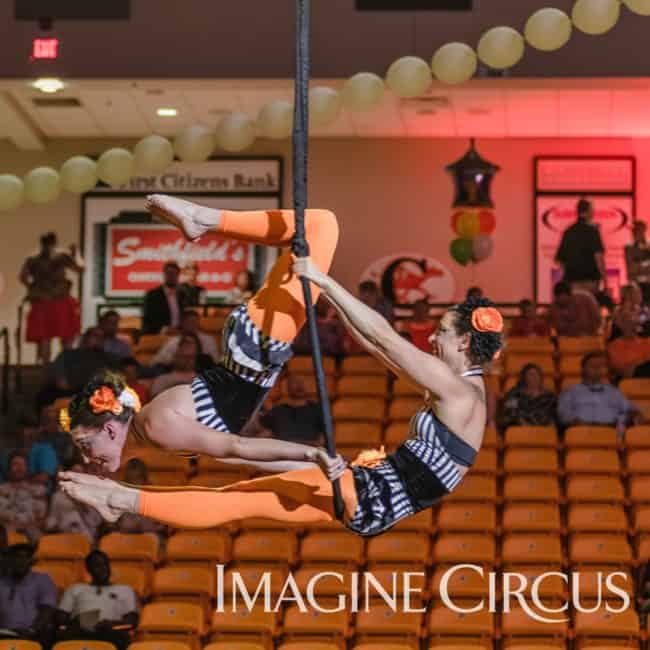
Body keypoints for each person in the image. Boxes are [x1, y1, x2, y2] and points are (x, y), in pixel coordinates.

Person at [58, 198, 503, 536]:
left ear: (464, 342)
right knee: (238, 502)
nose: (431, 337)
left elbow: (385, 338)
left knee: (322, 224)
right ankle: (123, 499)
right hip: (368, 498)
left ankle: (205, 219)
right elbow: (379, 347)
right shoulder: (460, 392)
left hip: (360, 481)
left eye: (442, 332)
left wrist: (324, 281)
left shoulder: (459, 391)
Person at [57, 195, 343, 479]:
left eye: (85, 445)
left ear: (109, 429)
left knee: (321, 225)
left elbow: (237, 447)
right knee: (309, 233)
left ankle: (206, 219)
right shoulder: (152, 435)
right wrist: (316, 470)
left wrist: (310, 454)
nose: (85, 458)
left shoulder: (155, 427)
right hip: (255, 346)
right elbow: (234, 455)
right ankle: (205, 219)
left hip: (257, 344)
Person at [20, 232, 83, 364]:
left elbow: (80, 269)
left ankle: (64, 365)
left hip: (60, 300)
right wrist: (33, 288)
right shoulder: (34, 260)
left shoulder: (61, 258)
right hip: (46, 301)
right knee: (45, 337)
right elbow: (23, 277)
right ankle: (47, 366)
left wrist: (75, 253)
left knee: (65, 335)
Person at [57, 550, 139, 650]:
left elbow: (131, 621)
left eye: (105, 564)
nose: (103, 569)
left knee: (121, 637)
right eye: (97, 566)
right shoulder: (75, 589)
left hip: (110, 631)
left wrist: (110, 624)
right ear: (88, 569)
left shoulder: (125, 590)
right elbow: (60, 617)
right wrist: (80, 621)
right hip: (79, 630)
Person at [36, 327, 116, 410]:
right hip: (67, 391)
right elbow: (61, 381)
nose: (99, 339)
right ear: (85, 338)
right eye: (95, 336)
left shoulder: (107, 359)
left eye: (102, 337)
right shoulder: (67, 354)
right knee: (45, 396)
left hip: (94, 392)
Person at [557, 351, 639, 430]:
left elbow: (632, 411)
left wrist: (626, 418)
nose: (597, 369)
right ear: (582, 369)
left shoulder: (615, 392)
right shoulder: (569, 392)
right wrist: (577, 423)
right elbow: (563, 415)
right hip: (580, 432)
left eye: (600, 366)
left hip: (611, 432)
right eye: (593, 366)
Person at [0, 544, 57, 644]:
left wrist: (32, 630)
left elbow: (47, 609)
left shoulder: (42, 579)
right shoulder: (2, 582)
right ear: (10, 561)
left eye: (25, 558)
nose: (21, 562)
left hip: (35, 633)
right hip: (5, 633)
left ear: (31, 561)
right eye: (16, 557)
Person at [555, 198, 606, 294]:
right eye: (592, 210)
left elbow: (559, 260)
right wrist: (605, 281)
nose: (593, 213)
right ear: (588, 211)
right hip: (590, 280)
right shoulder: (593, 231)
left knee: (575, 307)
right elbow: (599, 257)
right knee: (589, 306)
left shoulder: (568, 232)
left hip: (572, 280)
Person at [256, 375, 324, 445]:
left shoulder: (318, 410)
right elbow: (262, 432)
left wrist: (292, 443)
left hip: (308, 452)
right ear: (287, 387)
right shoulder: (279, 410)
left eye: (302, 382)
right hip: (279, 452)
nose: (299, 385)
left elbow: (321, 441)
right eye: (294, 382)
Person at [45, 458, 102, 542]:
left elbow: (96, 522)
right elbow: (51, 520)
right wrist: (55, 526)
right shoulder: (58, 496)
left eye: (80, 473)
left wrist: (84, 506)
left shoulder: (92, 496)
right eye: (75, 473)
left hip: (86, 537)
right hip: (63, 536)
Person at [0, 452, 48, 543]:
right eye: (15, 464)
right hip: (5, 534)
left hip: (32, 534)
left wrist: (26, 526)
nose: (19, 468)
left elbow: (43, 519)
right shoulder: (1, 489)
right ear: (9, 468)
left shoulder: (39, 490)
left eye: (22, 464)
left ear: (27, 468)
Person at [112, 459, 166, 537]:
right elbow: (113, 523)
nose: (134, 482)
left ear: (144, 478)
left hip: (151, 535)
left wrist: (155, 527)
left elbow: (163, 524)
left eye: (137, 478)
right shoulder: (118, 495)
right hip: (124, 536)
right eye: (131, 479)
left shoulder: (155, 494)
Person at [150, 309, 219, 366]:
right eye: (189, 322)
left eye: (194, 322)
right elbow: (155, 361)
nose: (192, 325)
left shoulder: (209, 340)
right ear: (183, 324)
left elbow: (215, 361)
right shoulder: (174, 341)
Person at [499, 363, 557, 430]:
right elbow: (509, 412)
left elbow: (554, 416)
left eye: (536, 374)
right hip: (520, 429)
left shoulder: (550, 396)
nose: (534, 377)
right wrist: (522, 422)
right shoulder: (514, 394)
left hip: (544, 430)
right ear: (524, 377)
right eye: (531, 374)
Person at [141, 261, 190, 335]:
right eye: (168, 273)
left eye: (174, 274)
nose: (171, 276)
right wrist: (165, 330)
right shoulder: (153, 295)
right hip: (159, 335)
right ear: (164, 274)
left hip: (180, 334)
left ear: (178, 275)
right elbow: (148, 319)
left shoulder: (183, 294)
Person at [625, 221, 650, 303]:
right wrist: (646, 263)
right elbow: (631, 268)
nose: (638, 233)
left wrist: (639, 264)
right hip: (635, 285)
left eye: (640, 230)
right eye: (636, 231)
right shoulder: (629, 247)